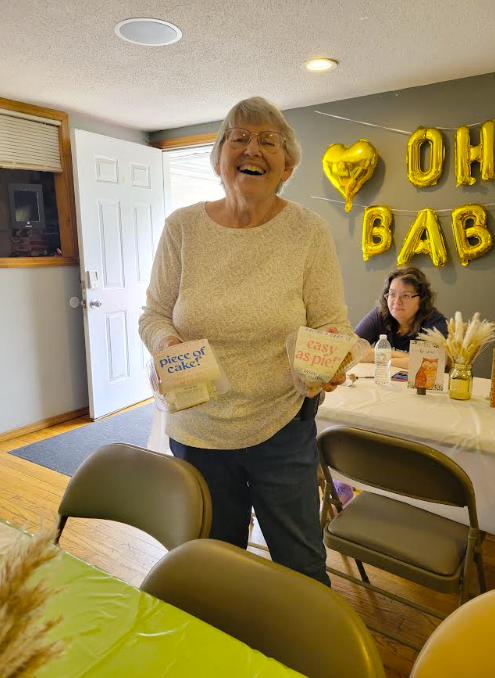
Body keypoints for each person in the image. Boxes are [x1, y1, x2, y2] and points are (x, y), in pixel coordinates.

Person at [139, 96, 353, 586]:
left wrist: (330, 357)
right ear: (218, 159)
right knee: (212, 563)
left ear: (287, 168)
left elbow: (333, 324)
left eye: (268, 141)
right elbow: (154, 314)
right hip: (197, 429)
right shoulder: (182, 228)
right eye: (238, 138)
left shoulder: (308, 232)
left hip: (282, 426)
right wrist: (166, 343)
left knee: (301, 566)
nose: (252, 148)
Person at [354, 265, 448, 369]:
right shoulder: (380, 314)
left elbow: (433, 363)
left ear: (421, 299)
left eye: (406, 295)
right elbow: (352, 350)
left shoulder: (435, 323)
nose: (397, 301)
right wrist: (398, 355)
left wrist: (381, 358)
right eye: (392, 294)